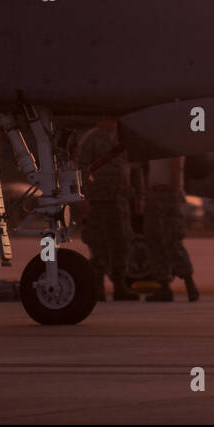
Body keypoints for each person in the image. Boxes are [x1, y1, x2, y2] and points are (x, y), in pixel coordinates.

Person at [76, 121, 139, 301]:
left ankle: (119, 285)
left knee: (122, 242)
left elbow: (132, 168)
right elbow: (81, 169)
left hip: (119, 200)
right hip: (98, 201)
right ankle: (98, 286)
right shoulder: (91, 139)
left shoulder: (124, 136)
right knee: (99, 243)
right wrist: (82, 197)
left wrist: (137, 195)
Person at [142, 156, 199, 302]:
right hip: (154, 194)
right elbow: (151, 170)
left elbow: (176, 166)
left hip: (167, 194)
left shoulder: (170, 142)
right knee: (154, 241)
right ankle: (164, 287)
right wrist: (147, 193)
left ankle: (189, 283)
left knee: (172, 240)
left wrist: (174, 193)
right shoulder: (155, 144)